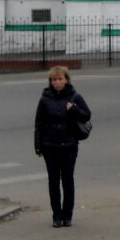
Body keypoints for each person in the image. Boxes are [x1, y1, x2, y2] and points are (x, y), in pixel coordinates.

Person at [34, 66, 91, 227]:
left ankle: (68, 216)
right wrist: (38, 145)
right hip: (50, 146)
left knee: (67, 180)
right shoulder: (45, 99)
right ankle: (56, 216)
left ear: (66, 80)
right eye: (54, 80)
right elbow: (39, 123)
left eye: (60, 79)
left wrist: (73, 109)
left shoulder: (74, 96)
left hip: (69, 145)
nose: (57, 82)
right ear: (50, 82)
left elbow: (87, 115)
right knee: (53, 181)